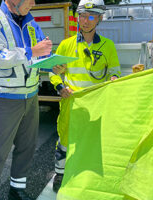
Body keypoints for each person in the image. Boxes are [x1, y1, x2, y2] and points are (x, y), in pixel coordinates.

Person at [0, 0, 61, 199]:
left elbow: (40, 58)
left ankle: (17, 190)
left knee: (27, 145)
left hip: (31, 95)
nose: (33, 3)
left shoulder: (32, 24)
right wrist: (32, 51)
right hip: (5, 97)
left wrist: (53, 65)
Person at [49, 0, 121, 193]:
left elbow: (115, 72)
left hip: (96, 106)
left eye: (91, 17)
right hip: (71, 104)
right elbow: (53, 72)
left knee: (93, 142)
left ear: (99, 19)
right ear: (77, 18)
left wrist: (114, 78)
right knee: (64, 141)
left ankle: (89, 176)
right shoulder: (66, 45)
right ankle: (60, 174)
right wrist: (60, 87)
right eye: (82, 16)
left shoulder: (108, 46)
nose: (86, 21)